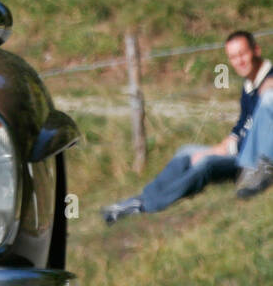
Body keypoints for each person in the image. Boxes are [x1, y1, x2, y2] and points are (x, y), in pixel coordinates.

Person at [102, 31, 273, 223]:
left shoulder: (269, 83)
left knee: (205, 164)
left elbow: (261, 134)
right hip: (240, 151)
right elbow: (244, 123)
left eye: (243, 54)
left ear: (256, 50)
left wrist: (222, 150)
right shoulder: (250, 82)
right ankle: (142, 198)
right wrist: (228, 142)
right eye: (233, 57)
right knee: (186, 152)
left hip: (255, 162)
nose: (239, 61)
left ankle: (147, 206)